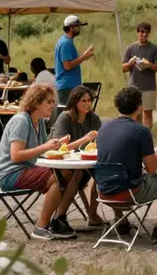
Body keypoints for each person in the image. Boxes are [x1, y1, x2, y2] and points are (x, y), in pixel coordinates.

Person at [96, 86, 157, 243]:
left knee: (118, 174)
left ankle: (121, 221)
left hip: (104, 191)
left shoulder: (103, 128)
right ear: (139, 107)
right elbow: (151, 169)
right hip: (129, 193)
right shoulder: (141, 131)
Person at [0, 83, 82, 240]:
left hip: (26, 169)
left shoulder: (39, 121)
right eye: (48, 102)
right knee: (59, 177)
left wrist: (60, 144)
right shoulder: (21, 121)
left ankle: (57, 220)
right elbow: (15, 156)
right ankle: (41, 226)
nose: (53, 105)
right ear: (36, 103)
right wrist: (45, 147)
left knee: (69, 172)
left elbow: (45, 150)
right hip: (11, 173)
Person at [50, 85, 104, 228]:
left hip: (87, 161)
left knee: (102, 172)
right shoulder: (65, 117)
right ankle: (60, 216)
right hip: (64, 164)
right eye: (83, 101)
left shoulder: (93, 118)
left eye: (89, 100)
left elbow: (102, 140)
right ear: (75, 102)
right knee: (78, 173)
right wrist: (85, 138)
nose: (87, 104)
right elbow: (59, 147)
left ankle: (93, 214)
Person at [122, 22, 157, 129]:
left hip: (149, 86)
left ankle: (147, 134)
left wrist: (149, 65)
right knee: (135, 113)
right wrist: (130, 62)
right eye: (142, 32)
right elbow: (123, 68)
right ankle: (136, 134)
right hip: (134, 86)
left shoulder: (154, 48)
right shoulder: (131, 48)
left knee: (148, 113)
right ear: (138, 33)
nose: (144, 35)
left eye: (146, 33)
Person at [54, 15, 94, 105]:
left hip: (69, 86)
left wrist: (84, 55)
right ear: (71, 27)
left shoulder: (66, 41)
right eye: (77, 26)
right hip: (67, 86)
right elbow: (67, 66)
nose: (79, 28)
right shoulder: (65, 43)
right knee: (70, 115)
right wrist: (84, 57)